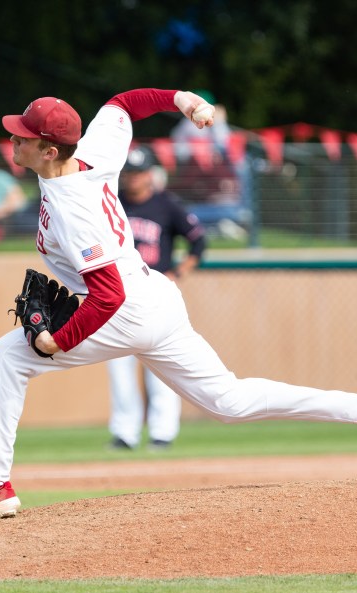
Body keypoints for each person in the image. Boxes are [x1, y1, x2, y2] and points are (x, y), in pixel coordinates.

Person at [0, 89, 357, 524]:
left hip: (127, 308)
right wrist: (184, 100)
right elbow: (122, 104)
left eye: (22, 137)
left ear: (49, 150)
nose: (11, 141)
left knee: (8, 356)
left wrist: (60, 339)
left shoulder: (74, 210)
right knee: (229, 401)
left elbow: (108, 295)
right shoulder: (90, 152)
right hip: (155, 296)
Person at [107, 144, 206, 451]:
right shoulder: (112, 204)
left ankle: (163, 432)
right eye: (130, 173)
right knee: (118, 364)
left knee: (160, 364)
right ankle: (125, 433)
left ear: (150, 174)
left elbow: (198, 241)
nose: (133, 179)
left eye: (139, 172)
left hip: (155, 292)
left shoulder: (167, 205)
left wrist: (179, 272)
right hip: (118, 294)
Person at [168, 92, 250, 239]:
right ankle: (215, 225)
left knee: (231, 201)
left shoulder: (213, 125)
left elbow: (226, 144)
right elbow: (181, 150)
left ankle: (218, 225)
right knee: (191, 210)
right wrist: (218, 124)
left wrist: (219, 123)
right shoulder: (188, 124)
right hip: (196, 178)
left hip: (216, 182)